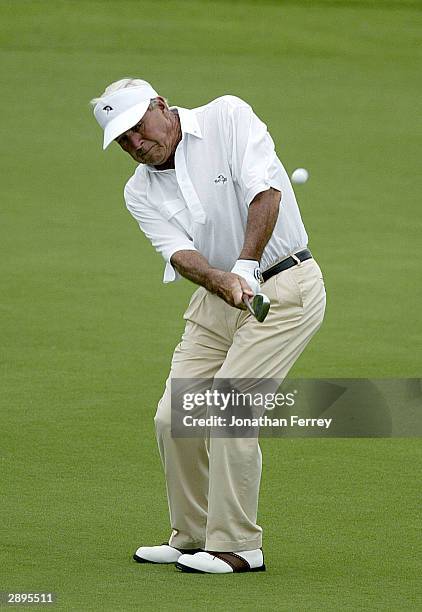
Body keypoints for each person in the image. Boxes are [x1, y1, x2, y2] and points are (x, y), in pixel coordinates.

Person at [91, 78, 326, 574]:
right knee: (172, 417)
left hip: (283, 288)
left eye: (137, 128)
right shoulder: (138, 191)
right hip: (215, 299)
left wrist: (244, 266)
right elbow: (178, 253)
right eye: (123, 141)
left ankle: (239, 546)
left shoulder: (227, 116)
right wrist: (222, 279)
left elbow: (266, 193)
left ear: (161, 106)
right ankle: (191, 535)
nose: (135, 145)